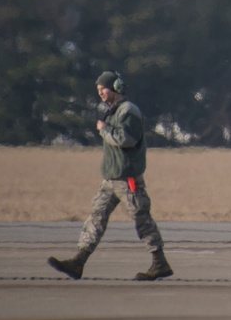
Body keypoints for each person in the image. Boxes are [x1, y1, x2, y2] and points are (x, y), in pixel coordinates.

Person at [48, 71, 173, 281]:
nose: (100, 93)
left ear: (115, 87)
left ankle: (159, 262)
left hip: (127, 179)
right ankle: (79, 261)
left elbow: (127, 139)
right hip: (111, 179)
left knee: (141, 218)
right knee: (96, 216)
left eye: (103, 89)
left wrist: (104, 129)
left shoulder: (128, 111)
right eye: (98, 90)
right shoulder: (114, 111)